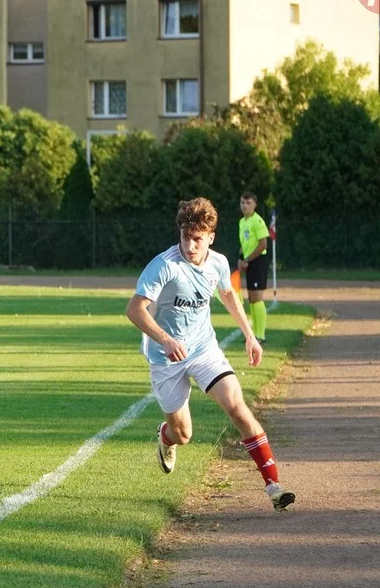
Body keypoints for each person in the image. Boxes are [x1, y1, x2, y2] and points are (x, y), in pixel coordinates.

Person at [126, 198, 295, 511]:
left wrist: (250, 336)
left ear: (211, 237)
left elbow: (228, 294)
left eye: (197, 239)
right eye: (185, 237)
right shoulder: (165, 265)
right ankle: (165, 438)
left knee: (236, 405)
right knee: (183, 433)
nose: (190, 245)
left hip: (203, 348)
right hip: (166, 357)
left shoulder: (218, 263)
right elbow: (134, 309)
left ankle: (273, 485)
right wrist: (164, 339)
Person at [238, 191, 270, 344]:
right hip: (249, 261)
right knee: (251, 298)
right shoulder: (242, 222)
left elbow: (263, 243)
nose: (245, 206)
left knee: (257, 297)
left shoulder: (257, 221)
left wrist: (248, 259)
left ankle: (261, 335)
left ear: (255, 205)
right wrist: (241, 259)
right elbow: (244, 244)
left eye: (248, 203)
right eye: (243, 203)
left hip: (258, 261)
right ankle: (254, 335)